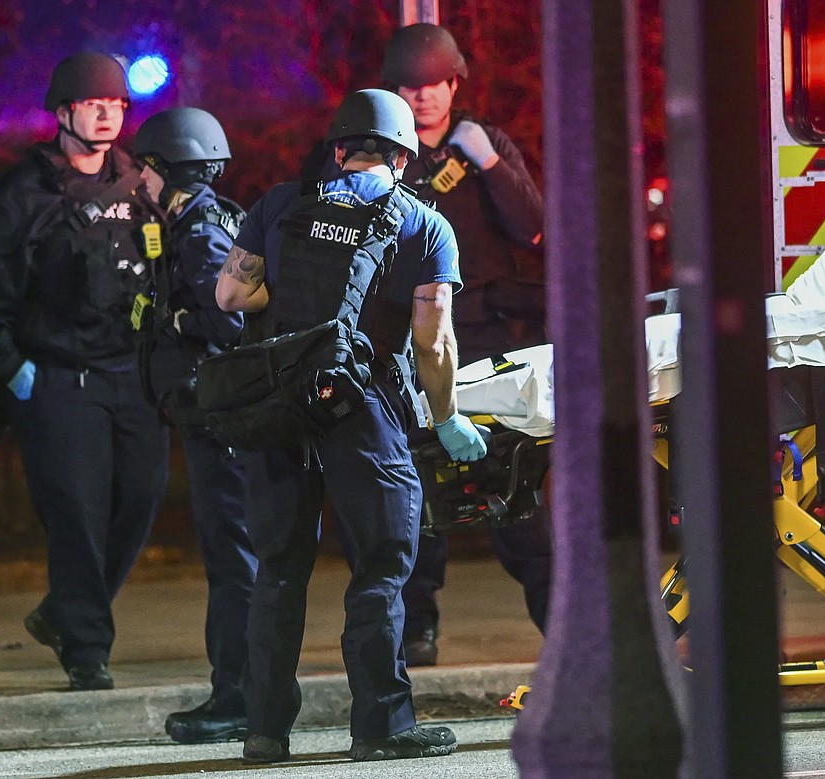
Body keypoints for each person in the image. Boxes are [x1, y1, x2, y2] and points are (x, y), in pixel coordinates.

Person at [213, 88, 486, 763]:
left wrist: (295, 311)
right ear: (403, 156)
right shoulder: (425, 225)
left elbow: (230, 294)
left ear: (337, 150)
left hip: (277, 406)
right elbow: (433, 343)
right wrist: (448, 417)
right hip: (359, 408)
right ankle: (381, 726)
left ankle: (265, 729)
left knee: (278, 566)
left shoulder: (278, 204)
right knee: (381, 566)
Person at [0, 52, 169, 691]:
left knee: (141, 498)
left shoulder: (145, 184)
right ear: (64, 111)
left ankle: (64, 613)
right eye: (92, 102)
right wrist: (16, 374)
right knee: (77, 515)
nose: (106, 112)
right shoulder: (21, 196)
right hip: (60, 380)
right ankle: (87, 648)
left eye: (116, 103)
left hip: (131, 376)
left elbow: (178, 266)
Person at [381, 22, 552, 666]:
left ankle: (564, 629)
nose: (423, 98)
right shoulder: (376, 150)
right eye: (410, 87)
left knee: (513, 480)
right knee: (416, 488)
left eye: (434, 85)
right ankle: (416, 627)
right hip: (403, 341)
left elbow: (533, 227)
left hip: (481, 335)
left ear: (455, 85)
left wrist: (487, 161)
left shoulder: (482, 144)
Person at [131, 107, 256, 743]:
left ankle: (237, 699)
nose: (140, 181)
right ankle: (246, 695)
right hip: (216, 418)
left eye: (145, 169)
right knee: (238, 558)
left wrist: (179, 324)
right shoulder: (201, 222)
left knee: (234, 561)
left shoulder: (201, 233)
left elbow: (228, 319)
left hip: (222, 422)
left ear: (167, 170)